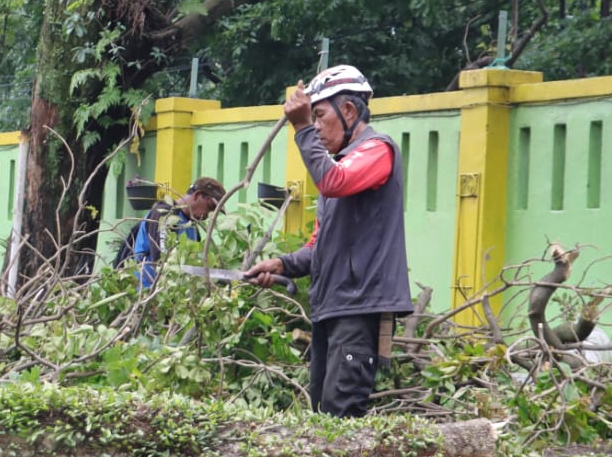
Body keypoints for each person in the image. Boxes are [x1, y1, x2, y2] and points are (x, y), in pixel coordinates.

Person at [244, 66, 409, 417]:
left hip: (359, 308)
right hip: (332, 308)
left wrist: (301, 127)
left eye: (319, 116)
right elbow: (319, 247)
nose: (316, 127)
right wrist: (283, 265)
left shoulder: (377, 151)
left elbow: (333, 181)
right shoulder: (340, 169)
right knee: (321, 413)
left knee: (340, 416)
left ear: (349, 111)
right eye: (312, 118)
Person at [130, 176, 226, 289]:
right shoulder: (165, 215)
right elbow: (162, 261)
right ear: (197, 196)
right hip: (147, 293)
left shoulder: (193, 228)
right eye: (210, 207)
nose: (207, 215)